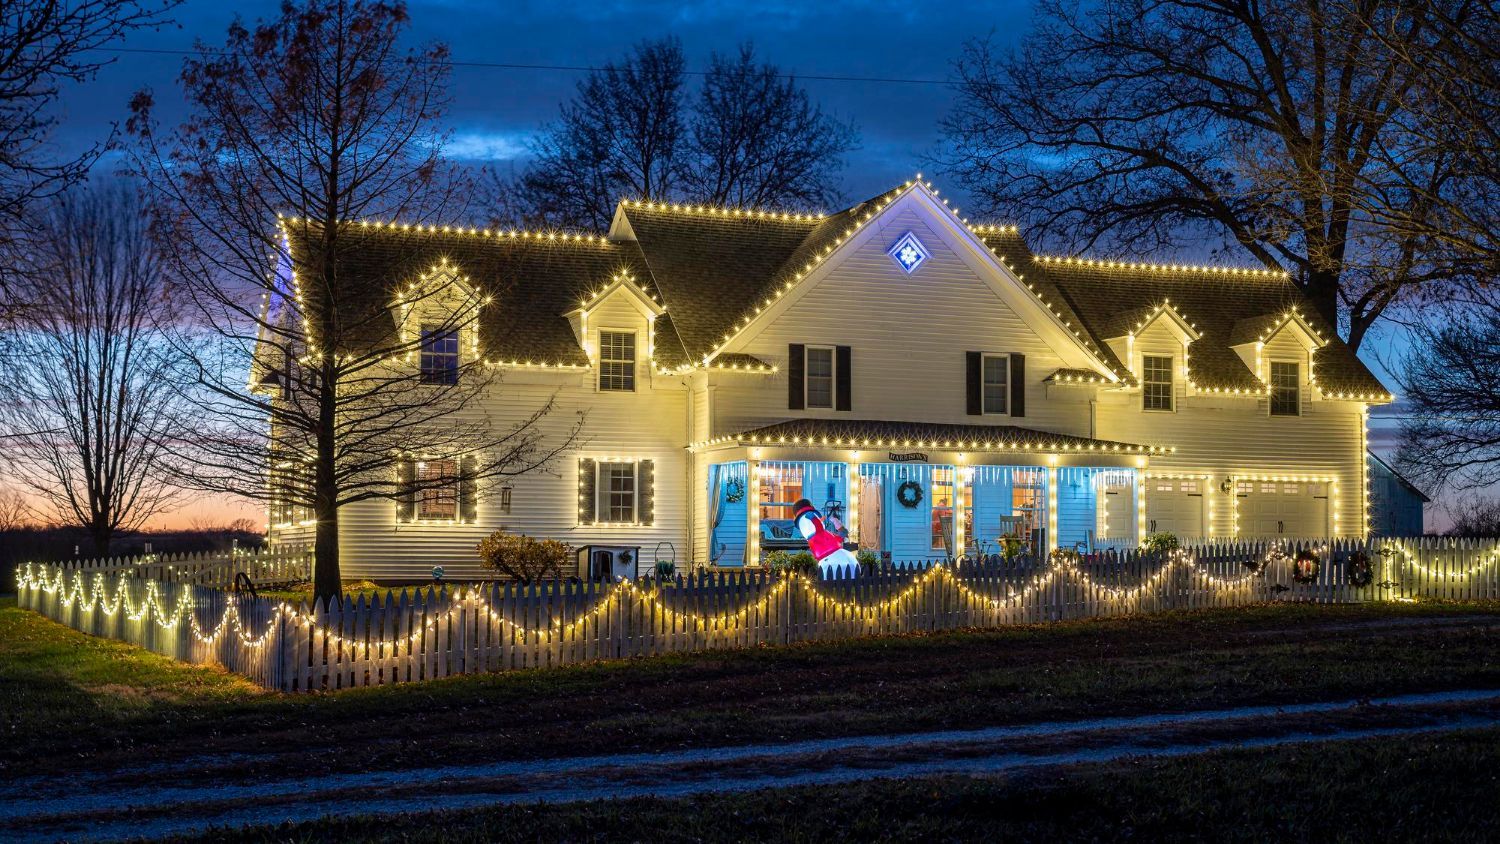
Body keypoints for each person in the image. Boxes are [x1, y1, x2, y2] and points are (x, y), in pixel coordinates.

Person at [792, 498, 859, 577]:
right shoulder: (816, 535)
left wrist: (840, 530)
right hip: (833, 562)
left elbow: (837, 537)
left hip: (838, 560)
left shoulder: (824, 533)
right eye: (803, 523)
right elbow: (819, 527)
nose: (807, 525)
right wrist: (813, 518)